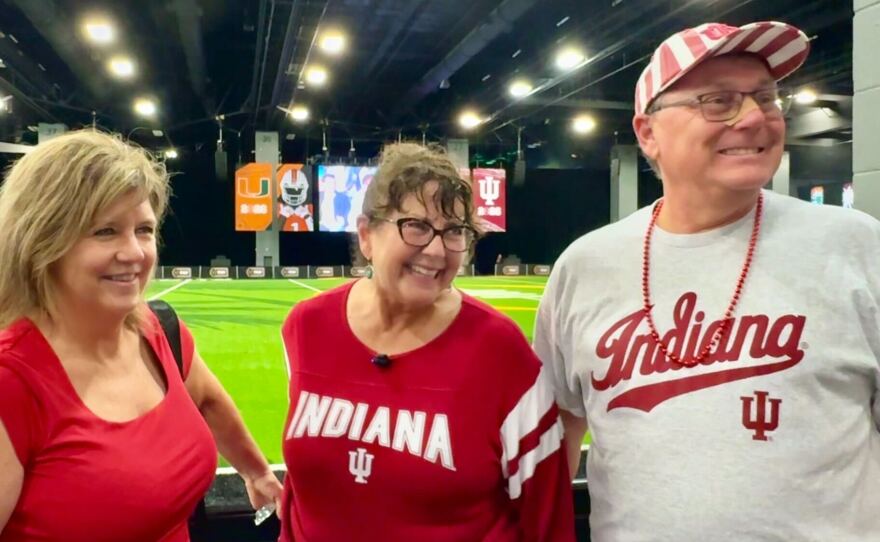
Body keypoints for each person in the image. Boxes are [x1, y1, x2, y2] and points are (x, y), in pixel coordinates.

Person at [534, 21, 880, 541]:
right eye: (718, 101)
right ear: (648, 132)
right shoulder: (585, 265)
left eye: (766, 97)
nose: (754, 118)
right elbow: (560, 427)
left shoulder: (857, 246)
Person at [278, 142, 575, 541]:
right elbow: (300, 496)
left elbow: (548, 519)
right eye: (416, 225)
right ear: (366, 235)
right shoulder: (306, 327)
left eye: (454, 232)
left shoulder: (501, 352)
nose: (436, 250)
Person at [0, 130, 282, 541]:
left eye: (144, 230)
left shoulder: (158, 330)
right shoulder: (13, 380)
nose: (134, 253)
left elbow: (207, 399)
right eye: (105, 231)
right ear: (41, 239)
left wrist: (256, 472)